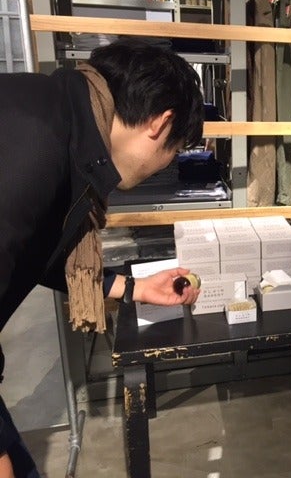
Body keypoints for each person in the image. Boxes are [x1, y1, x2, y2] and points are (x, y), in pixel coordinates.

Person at [0, 38, 204, 477]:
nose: (167, 164)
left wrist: (133, 287)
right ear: (161, 124)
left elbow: (39, 253)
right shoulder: (35, 147)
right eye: (175, 150)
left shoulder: (57, 116)